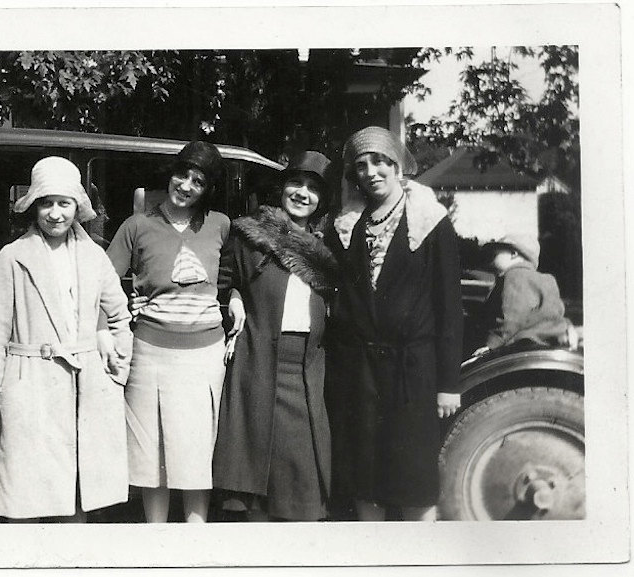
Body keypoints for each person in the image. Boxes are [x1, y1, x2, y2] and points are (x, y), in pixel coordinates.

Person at [0, 156, 133, 522]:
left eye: (65, 203)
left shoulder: (94, 256)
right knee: (28, 494)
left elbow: (121, 314)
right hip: (29, 386)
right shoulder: (13, 258)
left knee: (76, 495)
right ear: (34, 207)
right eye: (47, 203)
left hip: (85, 389)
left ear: (78, 207)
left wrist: (117, 371)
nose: (56, 214)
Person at [326, 126, 463, 521]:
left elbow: (450, 307)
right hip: (361, 375)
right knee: (365, 479)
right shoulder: (348, 226)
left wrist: (447, 384)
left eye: (381, 161)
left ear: (398, 165)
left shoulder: (430, 222)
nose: (371, 172)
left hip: (413, 373)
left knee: (412, 481)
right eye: (362, 166)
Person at [105, 140, 240, 523]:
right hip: (150, 353)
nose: (187, 185)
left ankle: (194, 537)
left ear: (208, 188)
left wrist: (237, 299)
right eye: (183, 174)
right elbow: (103, 281)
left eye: (199, 181)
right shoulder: (137, 225)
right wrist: (116, 320)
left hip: (205, 355)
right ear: (171, 174)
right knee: (154, 450)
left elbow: (231, 277)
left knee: (196, 449)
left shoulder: (220, 224)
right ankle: (156, 539)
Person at [212, 151, 340, 521]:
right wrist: (233, 296)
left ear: (321, 200)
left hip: (307, 365)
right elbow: (224, 281)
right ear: (282, 188)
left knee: (299, 458)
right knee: (257, 458)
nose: (302, 193)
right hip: (260, 357)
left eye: (313, 188)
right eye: (296, 184)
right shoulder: (250, 236)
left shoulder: (328, 247)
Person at [473, 233, 574, 355]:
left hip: (524, 344)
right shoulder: (547, 279)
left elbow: (512, 315)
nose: (490, 259)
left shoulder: (514, 276)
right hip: (551, 341)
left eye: (495, 254)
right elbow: (557, 311)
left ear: (513, 254)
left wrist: (492, 345)